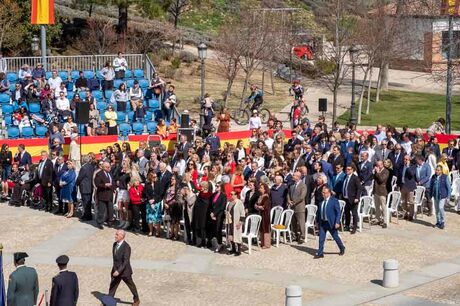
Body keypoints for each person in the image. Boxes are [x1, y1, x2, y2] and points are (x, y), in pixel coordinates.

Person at [109, 230, 140, 306]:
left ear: (122, 236)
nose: (115, 236)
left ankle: (136, 299)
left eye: (117, 235)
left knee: (131, 286)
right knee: (113, 286)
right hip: (115, 270)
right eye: (115, 234)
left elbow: (125, 261)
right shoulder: (114, 244)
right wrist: (114, 269)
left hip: (125, 272)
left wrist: (118, 271)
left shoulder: (126, 247)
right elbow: (115, 259)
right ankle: (109, 301)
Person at [314, 187, 345, 259]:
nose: (323, 194)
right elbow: (319, 213)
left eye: (324, 193)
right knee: (321, 238)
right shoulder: (321, 202)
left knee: (335, 237)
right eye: (322, 192)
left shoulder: (334, 201)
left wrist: (337, 222)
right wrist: (317, 222)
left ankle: (342, 247)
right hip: (322, 222)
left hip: (331, 223)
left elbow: (338, 213)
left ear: (328, 193)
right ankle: (320, 253)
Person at [287, 171, 307, 243]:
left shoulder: (303, 185)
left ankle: (302, 237)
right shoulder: (292, 185)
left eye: (294, 176)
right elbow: (288, 194)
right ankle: (294, 235)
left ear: (298, 177)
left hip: (299, 207)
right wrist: (289, 200)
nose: (292, 176)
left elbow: (302, 197)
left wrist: (294, 202)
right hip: (292, 207)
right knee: (293, 222)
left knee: (301, 222)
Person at [95, 162, 115, 229]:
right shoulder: (99, 174)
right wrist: (105, 185)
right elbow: (97, 184)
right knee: (102, 210)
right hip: (102, 194)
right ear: (104, 167)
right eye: (107, 167)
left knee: (110, 209)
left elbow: (113, 182)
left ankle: (110, 222)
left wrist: (113, 189)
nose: (109, 168)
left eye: (109, 167)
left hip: (110, 194)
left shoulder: (110, 173)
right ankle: (100, 222)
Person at [342, 164, 362, 234]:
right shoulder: (345, 177)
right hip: (346, 198)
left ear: (352, 170)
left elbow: (359, 188)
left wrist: (357, 197)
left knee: (354, 213)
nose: (347, 171)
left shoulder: (355, 178)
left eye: (349, 169)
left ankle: (354, 227)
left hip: (353, 198)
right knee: (346, 213)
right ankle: (347, 225)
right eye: (346, 169)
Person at [225, 190, 246, 256]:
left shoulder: (239, 203)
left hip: (236, 221)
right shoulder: (229, 202)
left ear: (236, 195)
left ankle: (239, 250)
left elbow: (242, 213)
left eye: (232, 194)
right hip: (230, 221)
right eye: (230, 194)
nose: (231, 195)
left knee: (237, 235)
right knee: (230, 235)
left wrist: (240, 222)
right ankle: (233, 248)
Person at [77, 155, 95, 221]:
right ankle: (88, 215)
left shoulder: (84, 167)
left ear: (84, 160)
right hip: (90, 187)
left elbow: (80, 177)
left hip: (85, 187)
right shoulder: (91, 166)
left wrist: (76, 183)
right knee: (88, 202)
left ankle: (87, 216)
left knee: (85, 202)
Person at [373, 160, 389, 228]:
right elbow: (374, 178)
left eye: (379, 165)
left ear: (382, 165)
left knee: (383, 207)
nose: (378, 166)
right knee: (377, 206)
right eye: (377, 165)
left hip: (382, 191)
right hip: (376, 190)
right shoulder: (377, 170)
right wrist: (374, 172)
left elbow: (381, 180)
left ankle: (385, 221)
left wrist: (378, 172)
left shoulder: (386, 171)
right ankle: (377, 219)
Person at [255, 183, 271, 248]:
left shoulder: (266, 197)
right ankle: (262, 243)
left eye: (261, 188)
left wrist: (258, 206)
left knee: (265, 228)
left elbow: (265, 206)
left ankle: (266, 244)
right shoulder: (260, 196)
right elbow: (256, 204)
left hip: (265, 214)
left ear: (265, 189)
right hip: (260, 214)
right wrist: (257, 206)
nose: (259, 189)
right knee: (261, 228)